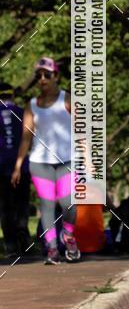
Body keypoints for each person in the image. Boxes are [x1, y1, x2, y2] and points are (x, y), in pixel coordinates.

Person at [11, 58, 79, 264]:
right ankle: (52, 249)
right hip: (40, 161)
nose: (42, 79)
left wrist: (88, 158)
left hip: (68, 160)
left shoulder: (68, 99)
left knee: (68, 204)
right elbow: (26, 138)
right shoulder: (31, 105)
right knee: (47, 205)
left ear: (56, 76)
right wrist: (18, 165)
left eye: (47, 75)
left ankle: (68, 236)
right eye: (39, 75)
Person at [0, 82, 31, 257]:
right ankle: (23, 237)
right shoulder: (23, 113)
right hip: (22, 167)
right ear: (12, 95)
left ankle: (11, 246)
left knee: (6, 208)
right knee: (22, 205)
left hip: (2, 168)